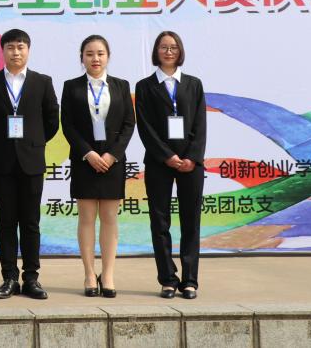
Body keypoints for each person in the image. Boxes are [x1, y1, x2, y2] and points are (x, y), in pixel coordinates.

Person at [0, 28, 59, 301]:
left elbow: (52, 121)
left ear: (28, 50)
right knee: (5, 222)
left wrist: (33, 143)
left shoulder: (42, 82)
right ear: (2, 51)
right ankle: (9, 278)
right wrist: (0, 142)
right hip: (1, 162)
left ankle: (31, 278)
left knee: (30, 222)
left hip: (32, 162)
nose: (16, 52)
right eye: (11, 47)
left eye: (21, 47)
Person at [60, 35, 136, 298]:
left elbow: (128, 124)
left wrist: (112, 155)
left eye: (100, 53)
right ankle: (90, 274)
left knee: (110, 218)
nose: (95, 58)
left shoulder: (121, 85)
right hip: (85, 161)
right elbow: (68, 125)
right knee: (86, 217)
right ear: (82, 57)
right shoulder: (71, 87)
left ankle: (109, 274)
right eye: (90, 53)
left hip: (113, 162)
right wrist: (88, 153)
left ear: (108, 56)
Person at [135, 31, 206, 300]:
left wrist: (192, 157)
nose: (168, 52)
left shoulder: (193, 84)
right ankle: (167, 279)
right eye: (163, 47)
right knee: (160, 221)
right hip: (158, 162)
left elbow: (200, 124)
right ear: (156, 51)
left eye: (173, 47)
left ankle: (190, 280)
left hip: (190, 163)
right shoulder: (145, 86)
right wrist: (166, 156)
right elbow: (145, 127)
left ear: (180, 51)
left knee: (191, 222)